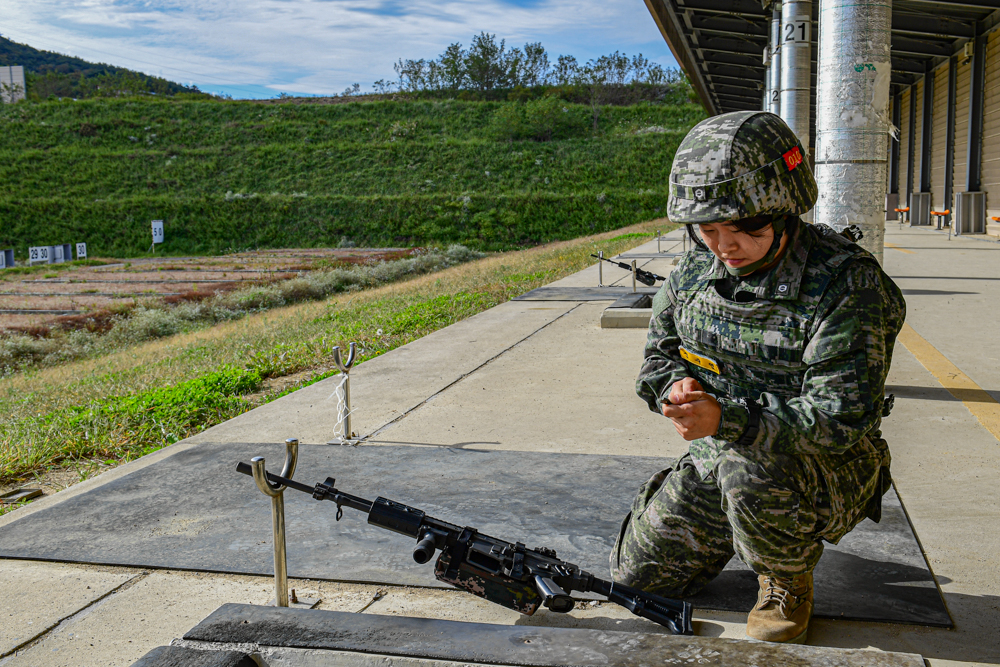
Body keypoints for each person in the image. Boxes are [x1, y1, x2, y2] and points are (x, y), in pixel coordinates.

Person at [609, 111, 906, 644]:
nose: (725, 245)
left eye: (745, 227)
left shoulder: (846, 286)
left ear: (784, 209)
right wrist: (673, 390)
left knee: (748, 468)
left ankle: (785, 577)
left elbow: (841, 417)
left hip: (819, 465)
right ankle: (729, 517)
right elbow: (657, 360)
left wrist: (730, 419)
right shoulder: (694, 274)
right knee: (638, 581)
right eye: (708, 229)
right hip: (718, 455)